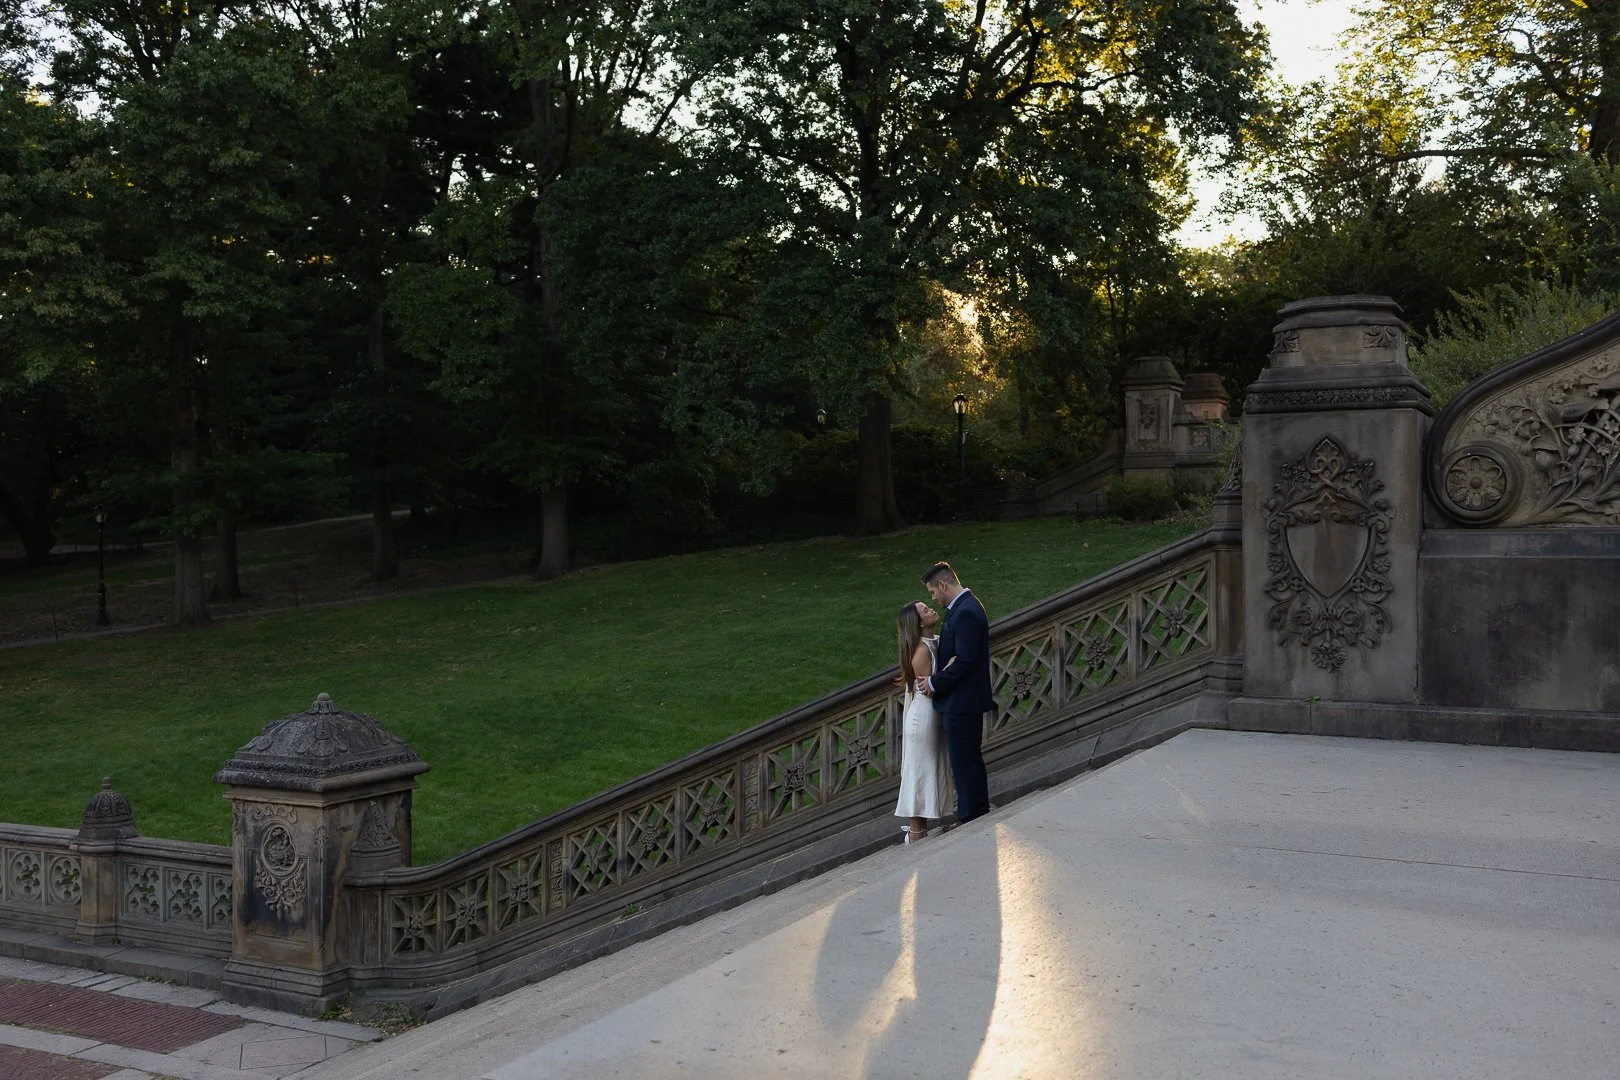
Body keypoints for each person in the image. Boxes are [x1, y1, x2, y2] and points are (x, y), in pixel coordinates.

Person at [920, 561, 992, 824]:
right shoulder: (961, 608)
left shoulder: (966, 611)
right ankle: (974, 810)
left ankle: (972, 814)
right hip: (961, 700)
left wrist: (935, 682)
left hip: (963, 701)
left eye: (932, 592)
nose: (934, 598)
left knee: (965, 761)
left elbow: (965, 659)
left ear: (943, 584)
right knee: (965, 759)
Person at [894, 601, 949, 842]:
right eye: (925, 611)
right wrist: (950, 668)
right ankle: (916, 835)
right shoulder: (921, 652)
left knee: (929, 769)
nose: (931, 610)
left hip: (932, 716)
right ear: (918, 623)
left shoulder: (933, 640)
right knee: (920, 772)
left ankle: (919, 833)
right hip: (923, 717)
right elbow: (929, 689)